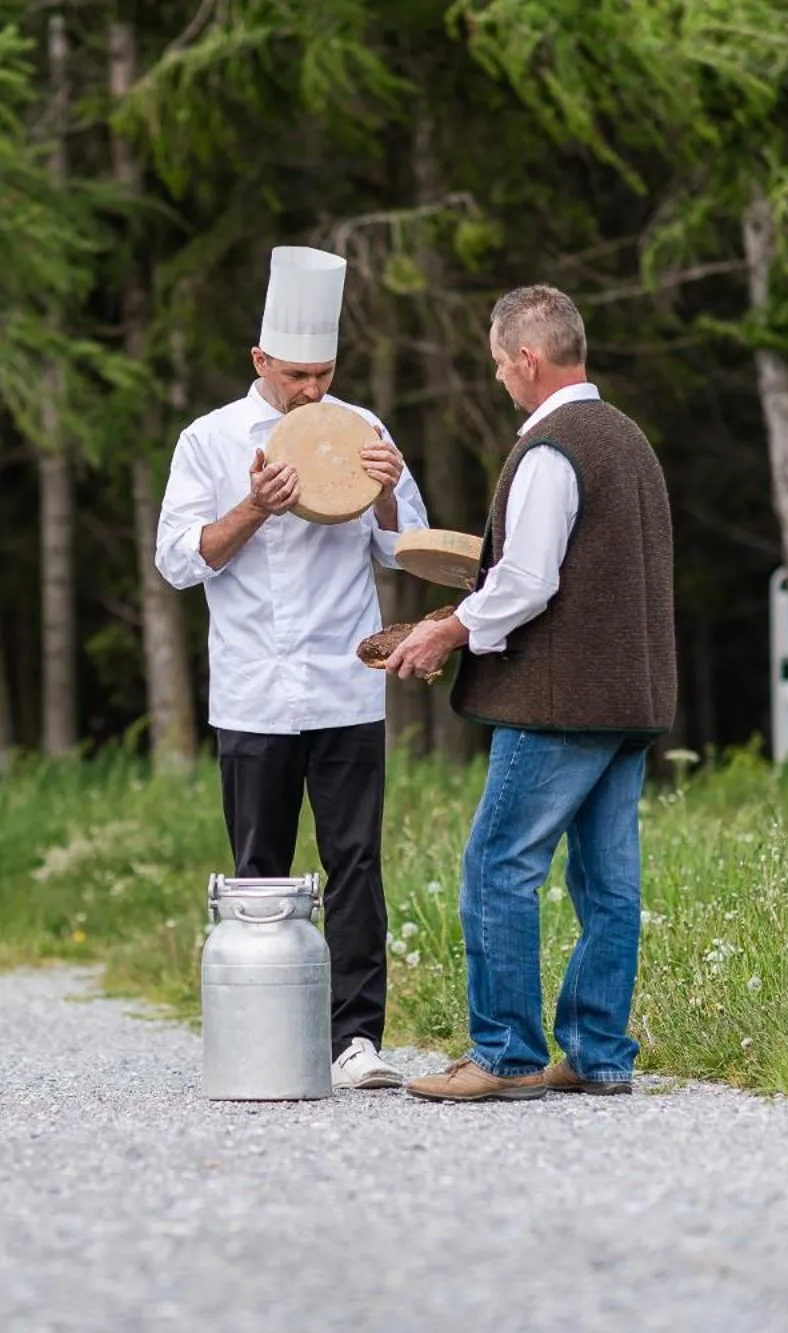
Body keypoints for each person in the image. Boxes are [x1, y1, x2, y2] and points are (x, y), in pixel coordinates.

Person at [384, 284, 676, 1103]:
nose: (500, 381)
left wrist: (449, 628)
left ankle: (506, 1054)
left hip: (560, 701)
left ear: (528, 359)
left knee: (498, 864)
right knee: (609, 882)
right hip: (630, 699)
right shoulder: (627, 439)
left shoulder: (552, 449)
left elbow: (527, 581)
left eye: (499, 366)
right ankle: (595, 1050)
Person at [154, 245, 431, 1091]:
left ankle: (357, 1039)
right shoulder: (207, 440)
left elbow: (406, 547)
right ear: (260, 361)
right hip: (251, 691)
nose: (313, 391)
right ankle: (266, 1030)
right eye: (299, 375)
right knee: (259, 868)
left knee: (356, 863)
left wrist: (386, 490)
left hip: (344, 682)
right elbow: (176, 559)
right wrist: (254, 506)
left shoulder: (363, 431)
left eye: (325, 374)